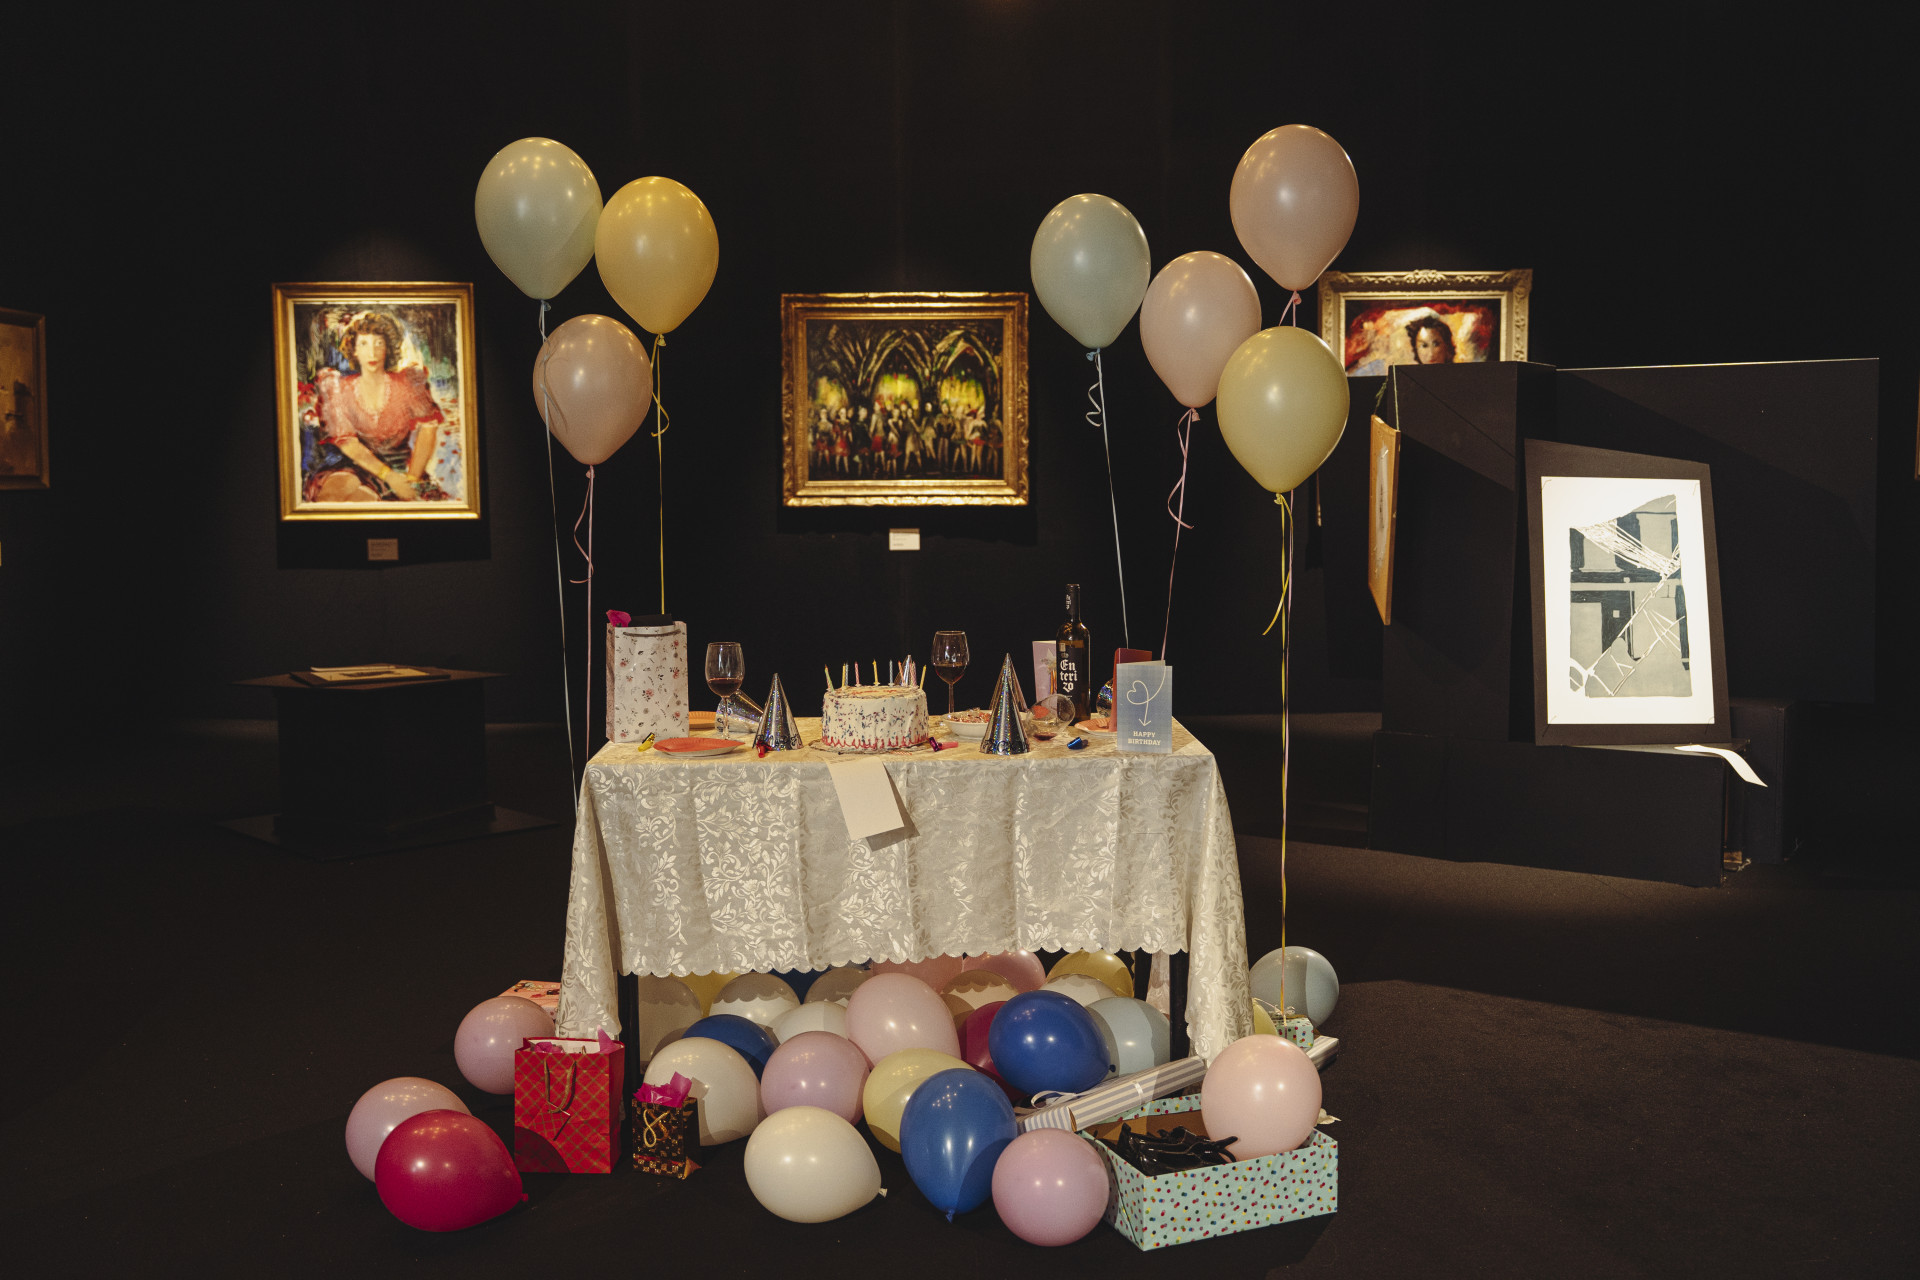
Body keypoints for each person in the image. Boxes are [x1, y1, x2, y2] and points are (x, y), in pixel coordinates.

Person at [306, 312, 448, 502]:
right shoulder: (338, 389)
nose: (372, 353)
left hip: (401, 469)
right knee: (335, 492)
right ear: (354, 350)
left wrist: (412, 480)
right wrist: (389, 477)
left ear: (388, 348)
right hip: (356, 467)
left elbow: (428, 429)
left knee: (367, 501)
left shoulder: (407, 383)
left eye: (379, 343)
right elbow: (348, 444)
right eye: (364, 344)